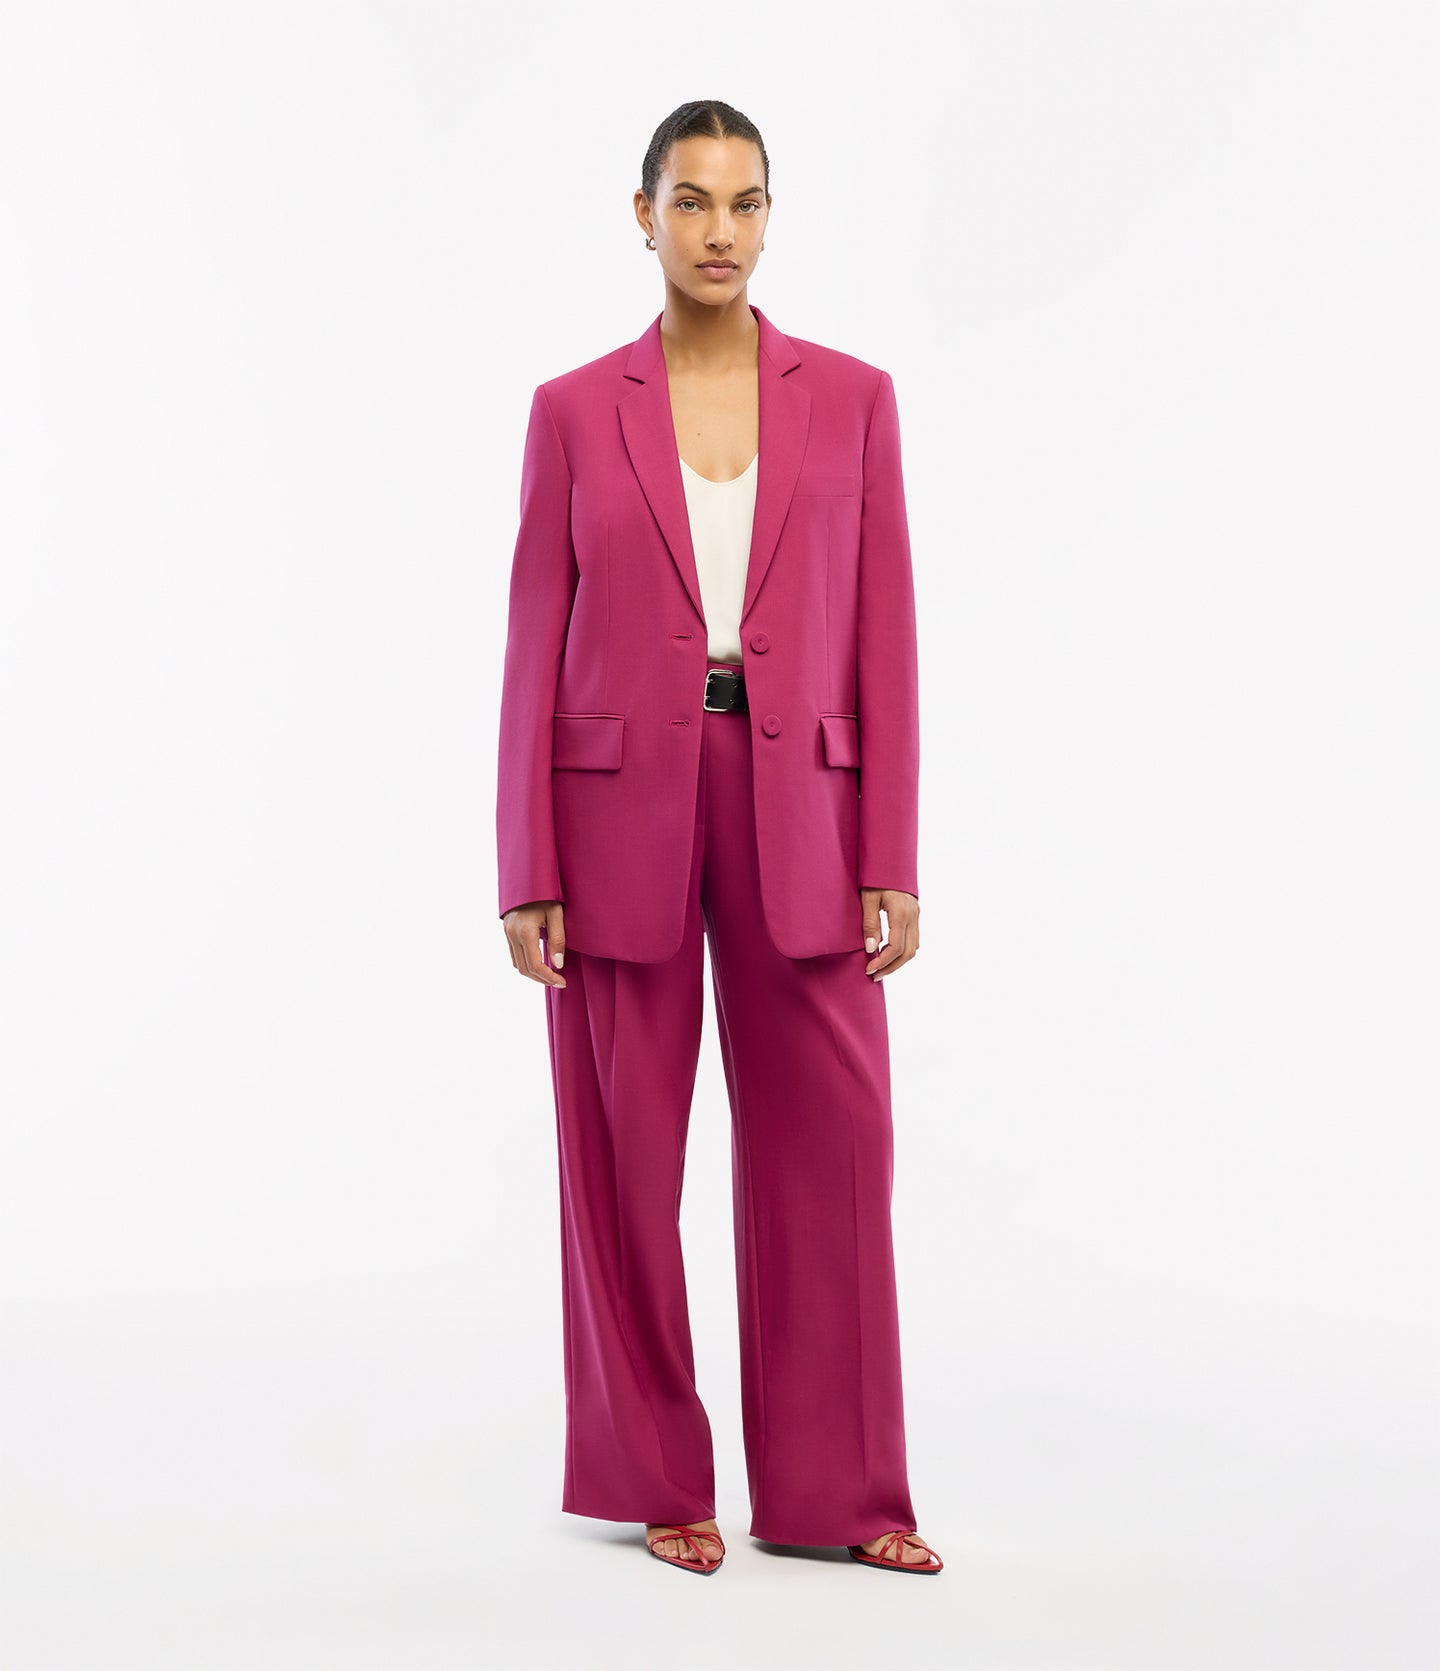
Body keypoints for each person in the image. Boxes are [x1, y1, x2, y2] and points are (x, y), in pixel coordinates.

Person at [496, 99, 941, 1577]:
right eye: (691, 201)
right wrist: (526, 865)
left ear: (770, 219)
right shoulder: (573, 409)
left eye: (745, 203)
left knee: (834, 1150)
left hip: (803, 797)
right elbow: (530, 641)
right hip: (613, 809)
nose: (720, 232)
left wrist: (891, 849)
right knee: (622, 1152)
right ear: (644, 217)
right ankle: (657, 1477)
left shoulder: (855, 398)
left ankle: (844, 1496)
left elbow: (887, 633)